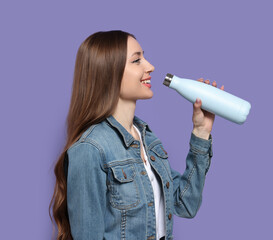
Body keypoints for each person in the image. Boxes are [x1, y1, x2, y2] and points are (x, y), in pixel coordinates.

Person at [49, 30, 224, 240]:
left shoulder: (147, 139)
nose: (150, 66)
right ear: (109, 71)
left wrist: (201, 131)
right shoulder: (90, 149)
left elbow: (185, 204)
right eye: (136, 60)